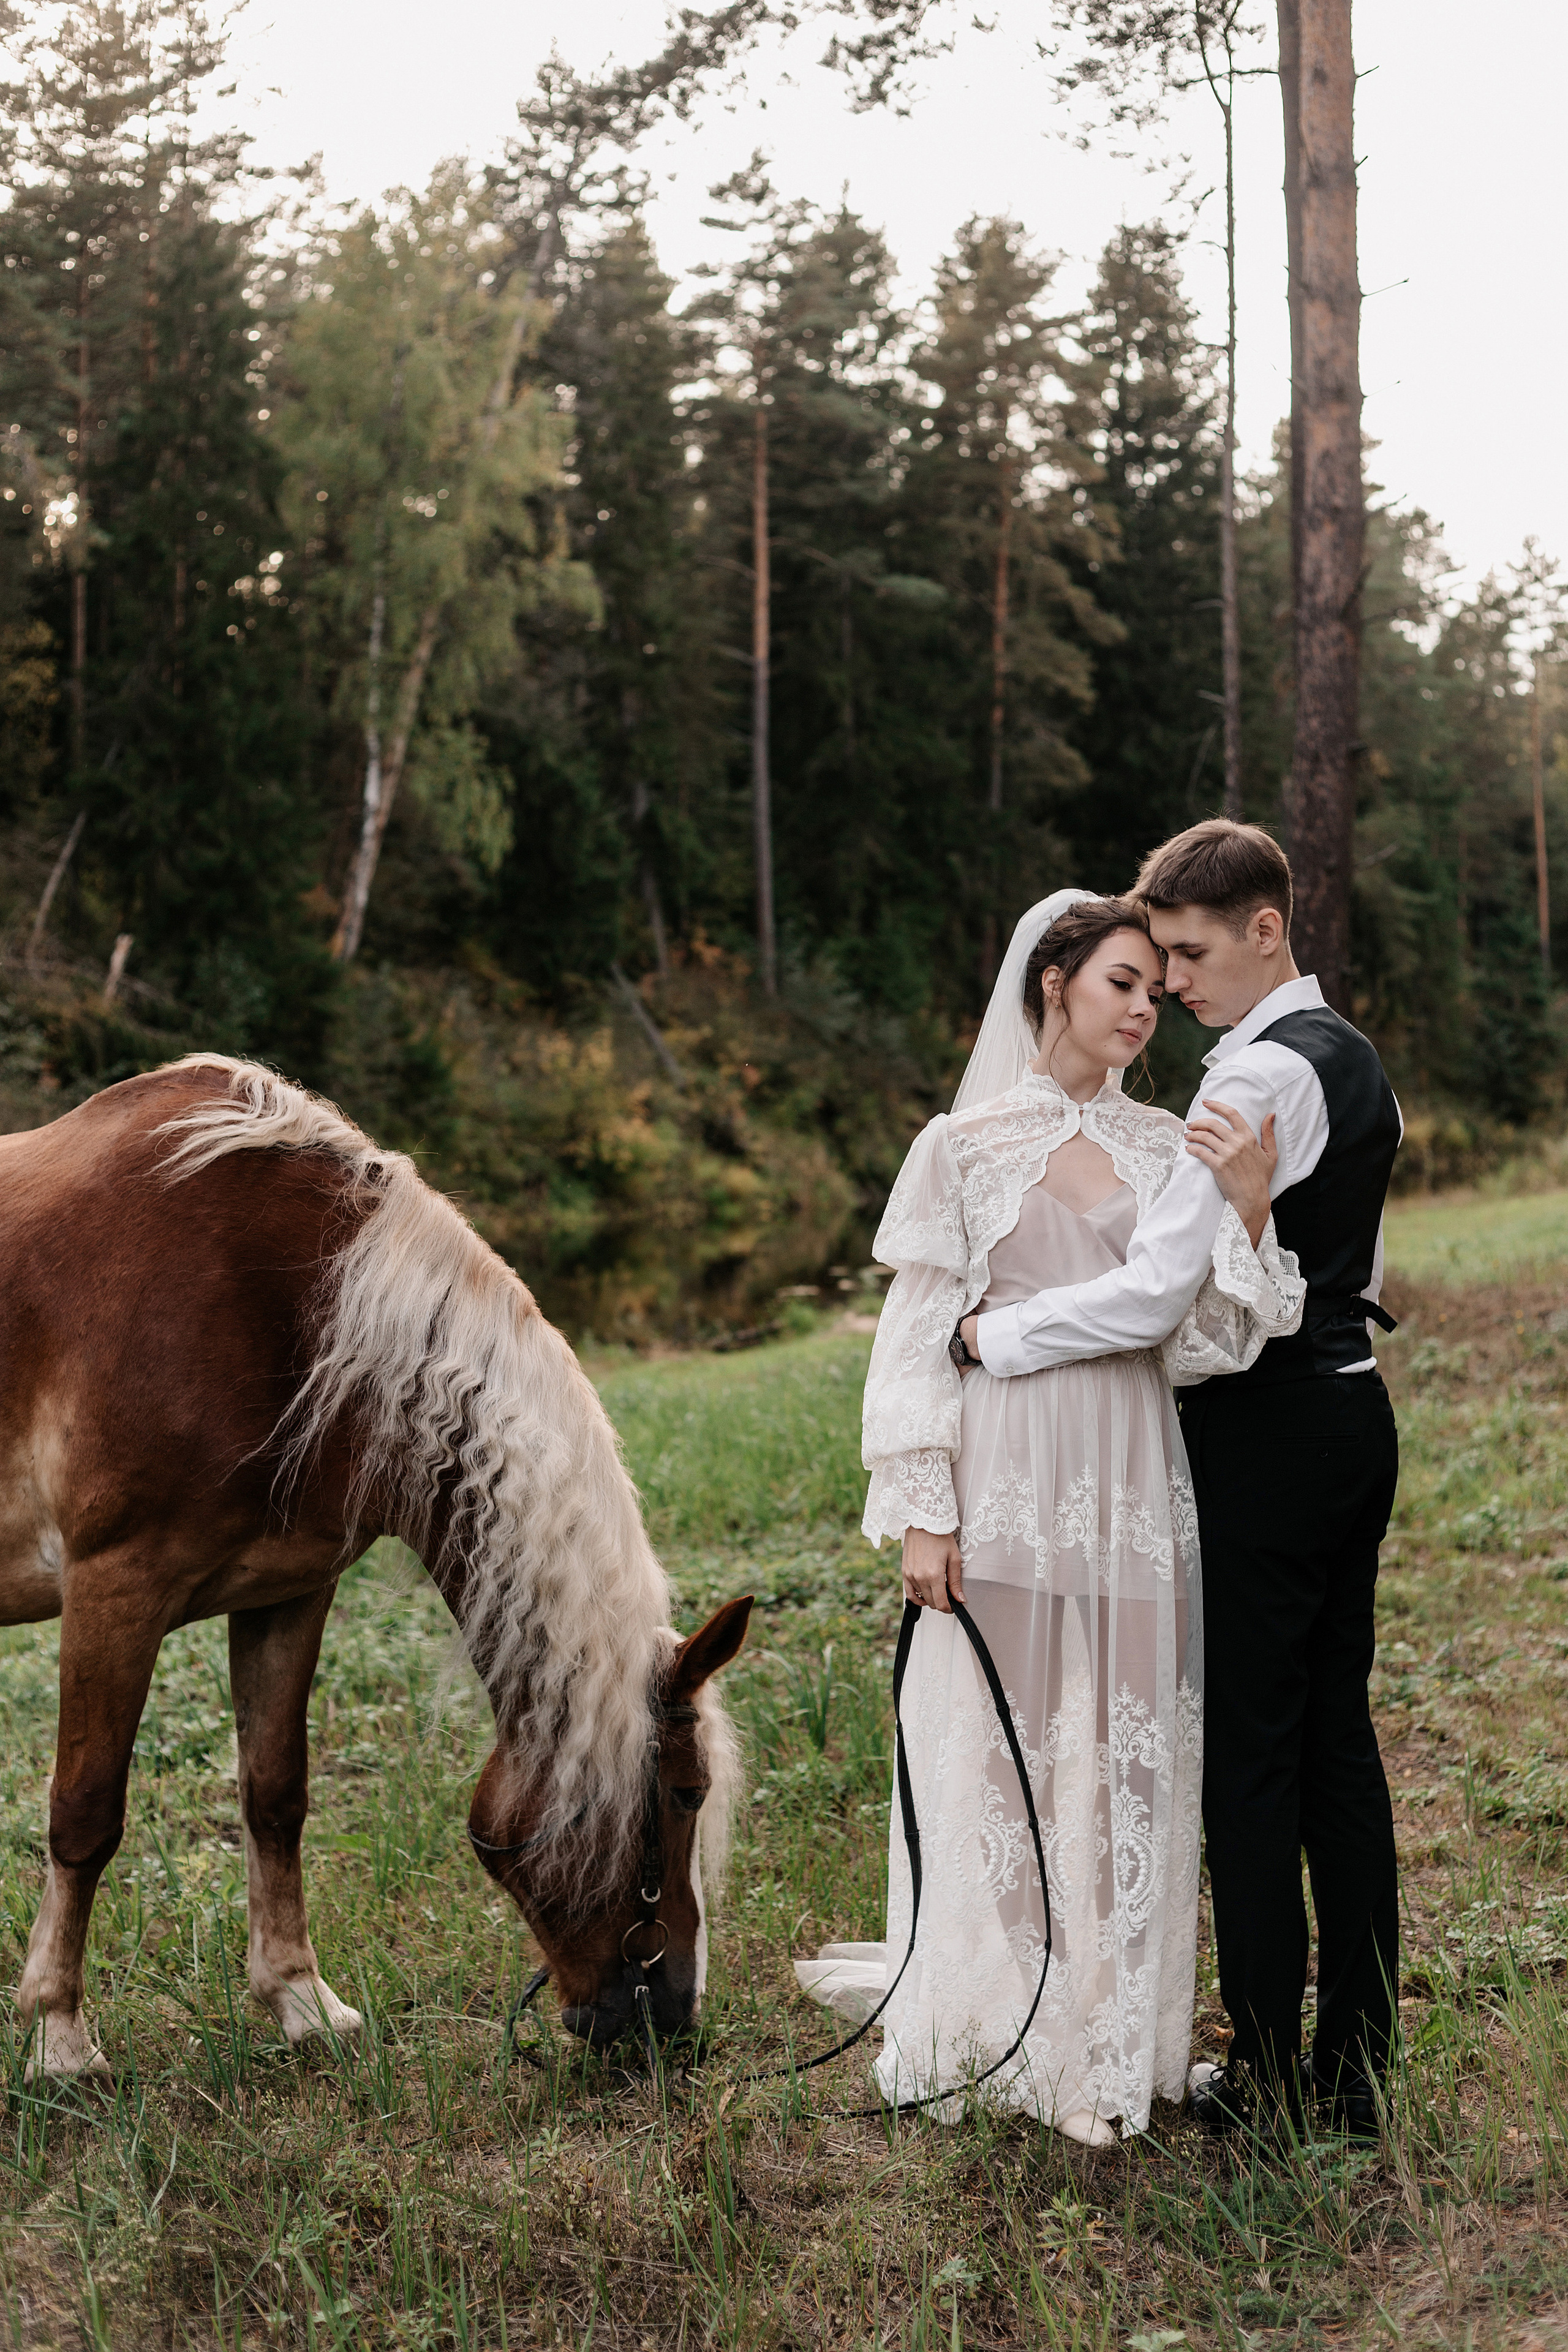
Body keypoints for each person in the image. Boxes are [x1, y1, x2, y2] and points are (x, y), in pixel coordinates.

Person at [796, 888, 1305, 2143]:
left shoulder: (1168, 1146)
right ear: (1052, 984)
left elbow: (1205, 1339)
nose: (1143, 1010)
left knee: (1125, 1753)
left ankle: (1105, 2037)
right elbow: (913, 1345)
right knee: (1003, 1750)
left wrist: (1248, 1216)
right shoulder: (959, 1147)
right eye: (1120, 983)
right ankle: (1004, 2025)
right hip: (1005, 1474)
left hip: (1130, 1471)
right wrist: (925, 1513)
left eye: (1154, 991)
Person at [960, 823, 1403, 2139]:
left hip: (1264, 1441)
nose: (1175, 985)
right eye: (1157, 962)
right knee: (1336, 1748)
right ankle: (1355, 2065)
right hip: (1351, 1416)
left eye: (1193, 955)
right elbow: (1352, 1268)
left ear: (1265, 928)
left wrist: (997, 1337)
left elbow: (1156, 1296)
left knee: (1252, 1763)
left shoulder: (1251, 1077)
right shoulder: (1353, 1057)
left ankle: (1265, 2076)